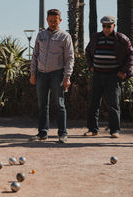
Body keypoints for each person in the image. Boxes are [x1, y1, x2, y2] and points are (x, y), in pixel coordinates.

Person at [84, 16, 133, 138]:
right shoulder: (96, 37)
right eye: (104, 26)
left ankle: (115, 130)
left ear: (114, 26)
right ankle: (93, 129)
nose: (106, 29)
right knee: (94, 103)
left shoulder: (121, 38)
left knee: (113, 104)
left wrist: (123, 71)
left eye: (108, 26)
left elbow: (131, 55)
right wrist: (90, 66)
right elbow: (88, 51)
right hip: (97, 75)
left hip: (113, 75)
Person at [30, 9, 74, 143]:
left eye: (55, 21)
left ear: (60, 21)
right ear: (47, 20)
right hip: (41, 75)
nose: (52, 23)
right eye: (50, 21)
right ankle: (42, 133)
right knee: (42, 105)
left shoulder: (65, 36)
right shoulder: (40, 35)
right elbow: (35, 55)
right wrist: (33, 73)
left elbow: (70, 58)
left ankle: (62, 134)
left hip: (57, 74)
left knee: (60, 105)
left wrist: (67, 76)